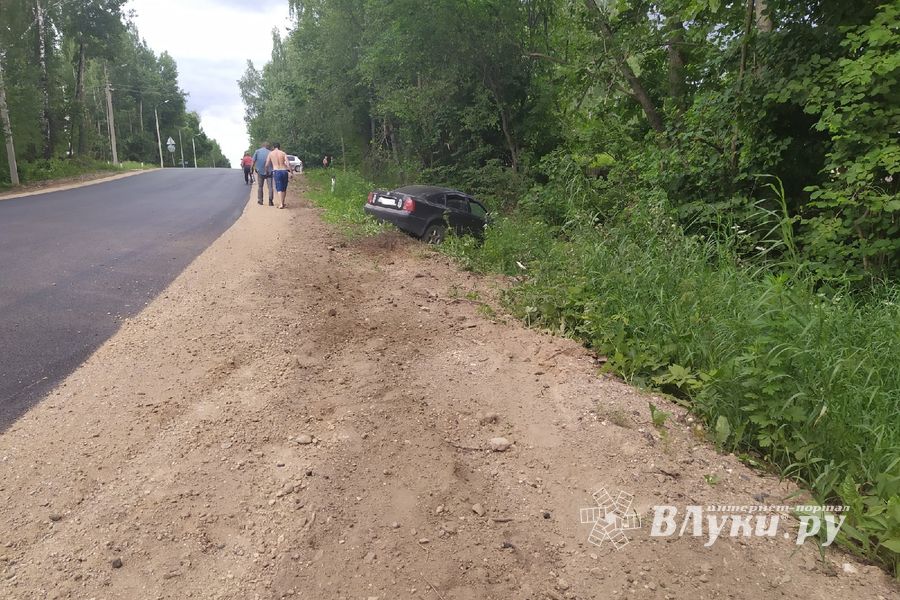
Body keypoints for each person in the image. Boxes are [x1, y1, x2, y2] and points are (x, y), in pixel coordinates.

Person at [265, 142, 294, 209]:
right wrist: (291, 172)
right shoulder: (283, 153)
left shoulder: (270, 153)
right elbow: (288, 163)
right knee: (284, 188)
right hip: (284, 171)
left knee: (279, 188)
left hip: (276, 171)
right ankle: (283, 203)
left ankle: (281, 204)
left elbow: (267, 164)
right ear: (279, 147)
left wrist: (266, 171)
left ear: (273, 147)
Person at [252, 141, 274, 205]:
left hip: (260, 171)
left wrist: (252, 168)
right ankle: (270, 201)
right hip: (269, 172)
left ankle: (260, 200)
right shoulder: (270, 152)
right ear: (268, 146)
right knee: (270, 187)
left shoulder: (257, 151)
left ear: (262, 145)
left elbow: (253, 161)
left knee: (260, 186)